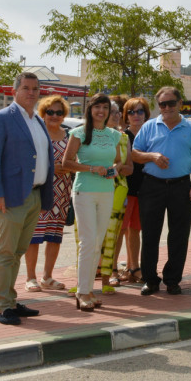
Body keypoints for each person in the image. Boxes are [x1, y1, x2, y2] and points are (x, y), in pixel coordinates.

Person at [0, 71, 54, 326]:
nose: (31, 92)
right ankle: (2, 306)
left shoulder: (38, 120)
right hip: (10, 197)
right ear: (15, 91)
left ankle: (11, 300)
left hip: (34, 195)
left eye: (35, 88)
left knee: (19, 251)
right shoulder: (1, 119)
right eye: (26, 88)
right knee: (5, 252)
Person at [130, 85, 191, 296]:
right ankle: (150, 279)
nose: (167, 107)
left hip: (181, 186)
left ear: (180, 104)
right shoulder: (148, 127)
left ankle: (173, 280)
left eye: (171, 103)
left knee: (179, 235)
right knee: (151, 235)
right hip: (152, 185)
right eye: (163, 104)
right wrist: (152, 156)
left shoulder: (190, 128)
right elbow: (134, 154)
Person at [61, 93, 128, 310]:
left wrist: (113, 170)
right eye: (97, 107)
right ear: (90, 109)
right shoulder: (79, 133)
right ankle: (81, 292)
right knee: (88, 242)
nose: (101, 111)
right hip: (84, 192)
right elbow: (67, 162)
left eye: (105, 108)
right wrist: (91, 168)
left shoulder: (113, 135)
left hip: (106, 191)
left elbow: (118, 161)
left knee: (97, 242)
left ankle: (89, 290)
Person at [22, 95, 73, 293]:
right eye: (50, 112)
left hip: (63, 192)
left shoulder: (69, 135)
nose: (54, 116)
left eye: (59, 112)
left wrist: (68, 168)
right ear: (43, 113)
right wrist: (53, 169)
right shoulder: (37, 133)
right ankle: (30, 277)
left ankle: (48, 276)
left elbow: (76, 160)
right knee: (34, 236)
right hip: (40, 191)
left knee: (54, 235)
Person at [116, 96, 150, 284]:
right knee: (119, 231)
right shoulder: (121, 137)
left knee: (135, 231)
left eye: (140, 111)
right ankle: (112, 270)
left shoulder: (150, 136)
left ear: (146, 114)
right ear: (125, 115)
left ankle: (133, 267)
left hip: (144, 191)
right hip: (123, 190)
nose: (136, 115)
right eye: (131, 112)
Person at [98, 96, 130, 292]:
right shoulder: (91, 136)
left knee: (113, 234)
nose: (117, 116)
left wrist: (118, 168)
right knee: (93, 235)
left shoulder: (124, 138)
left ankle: (110, 274)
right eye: (113, 113)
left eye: (118, 113)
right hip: (93, 188)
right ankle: (91, 272)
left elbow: (130, 167)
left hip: (118, 188)